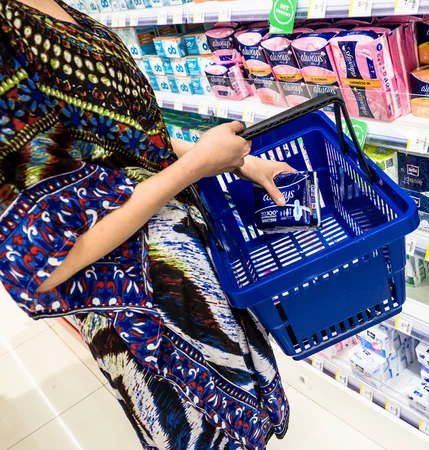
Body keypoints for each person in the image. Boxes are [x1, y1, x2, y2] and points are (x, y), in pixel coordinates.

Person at [0, 1, 291, 449]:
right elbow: (43, 264)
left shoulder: (58, 8)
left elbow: (131, 136)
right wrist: (196, 164)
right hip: (142, 301)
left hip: (190, 262)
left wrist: (236, 162)